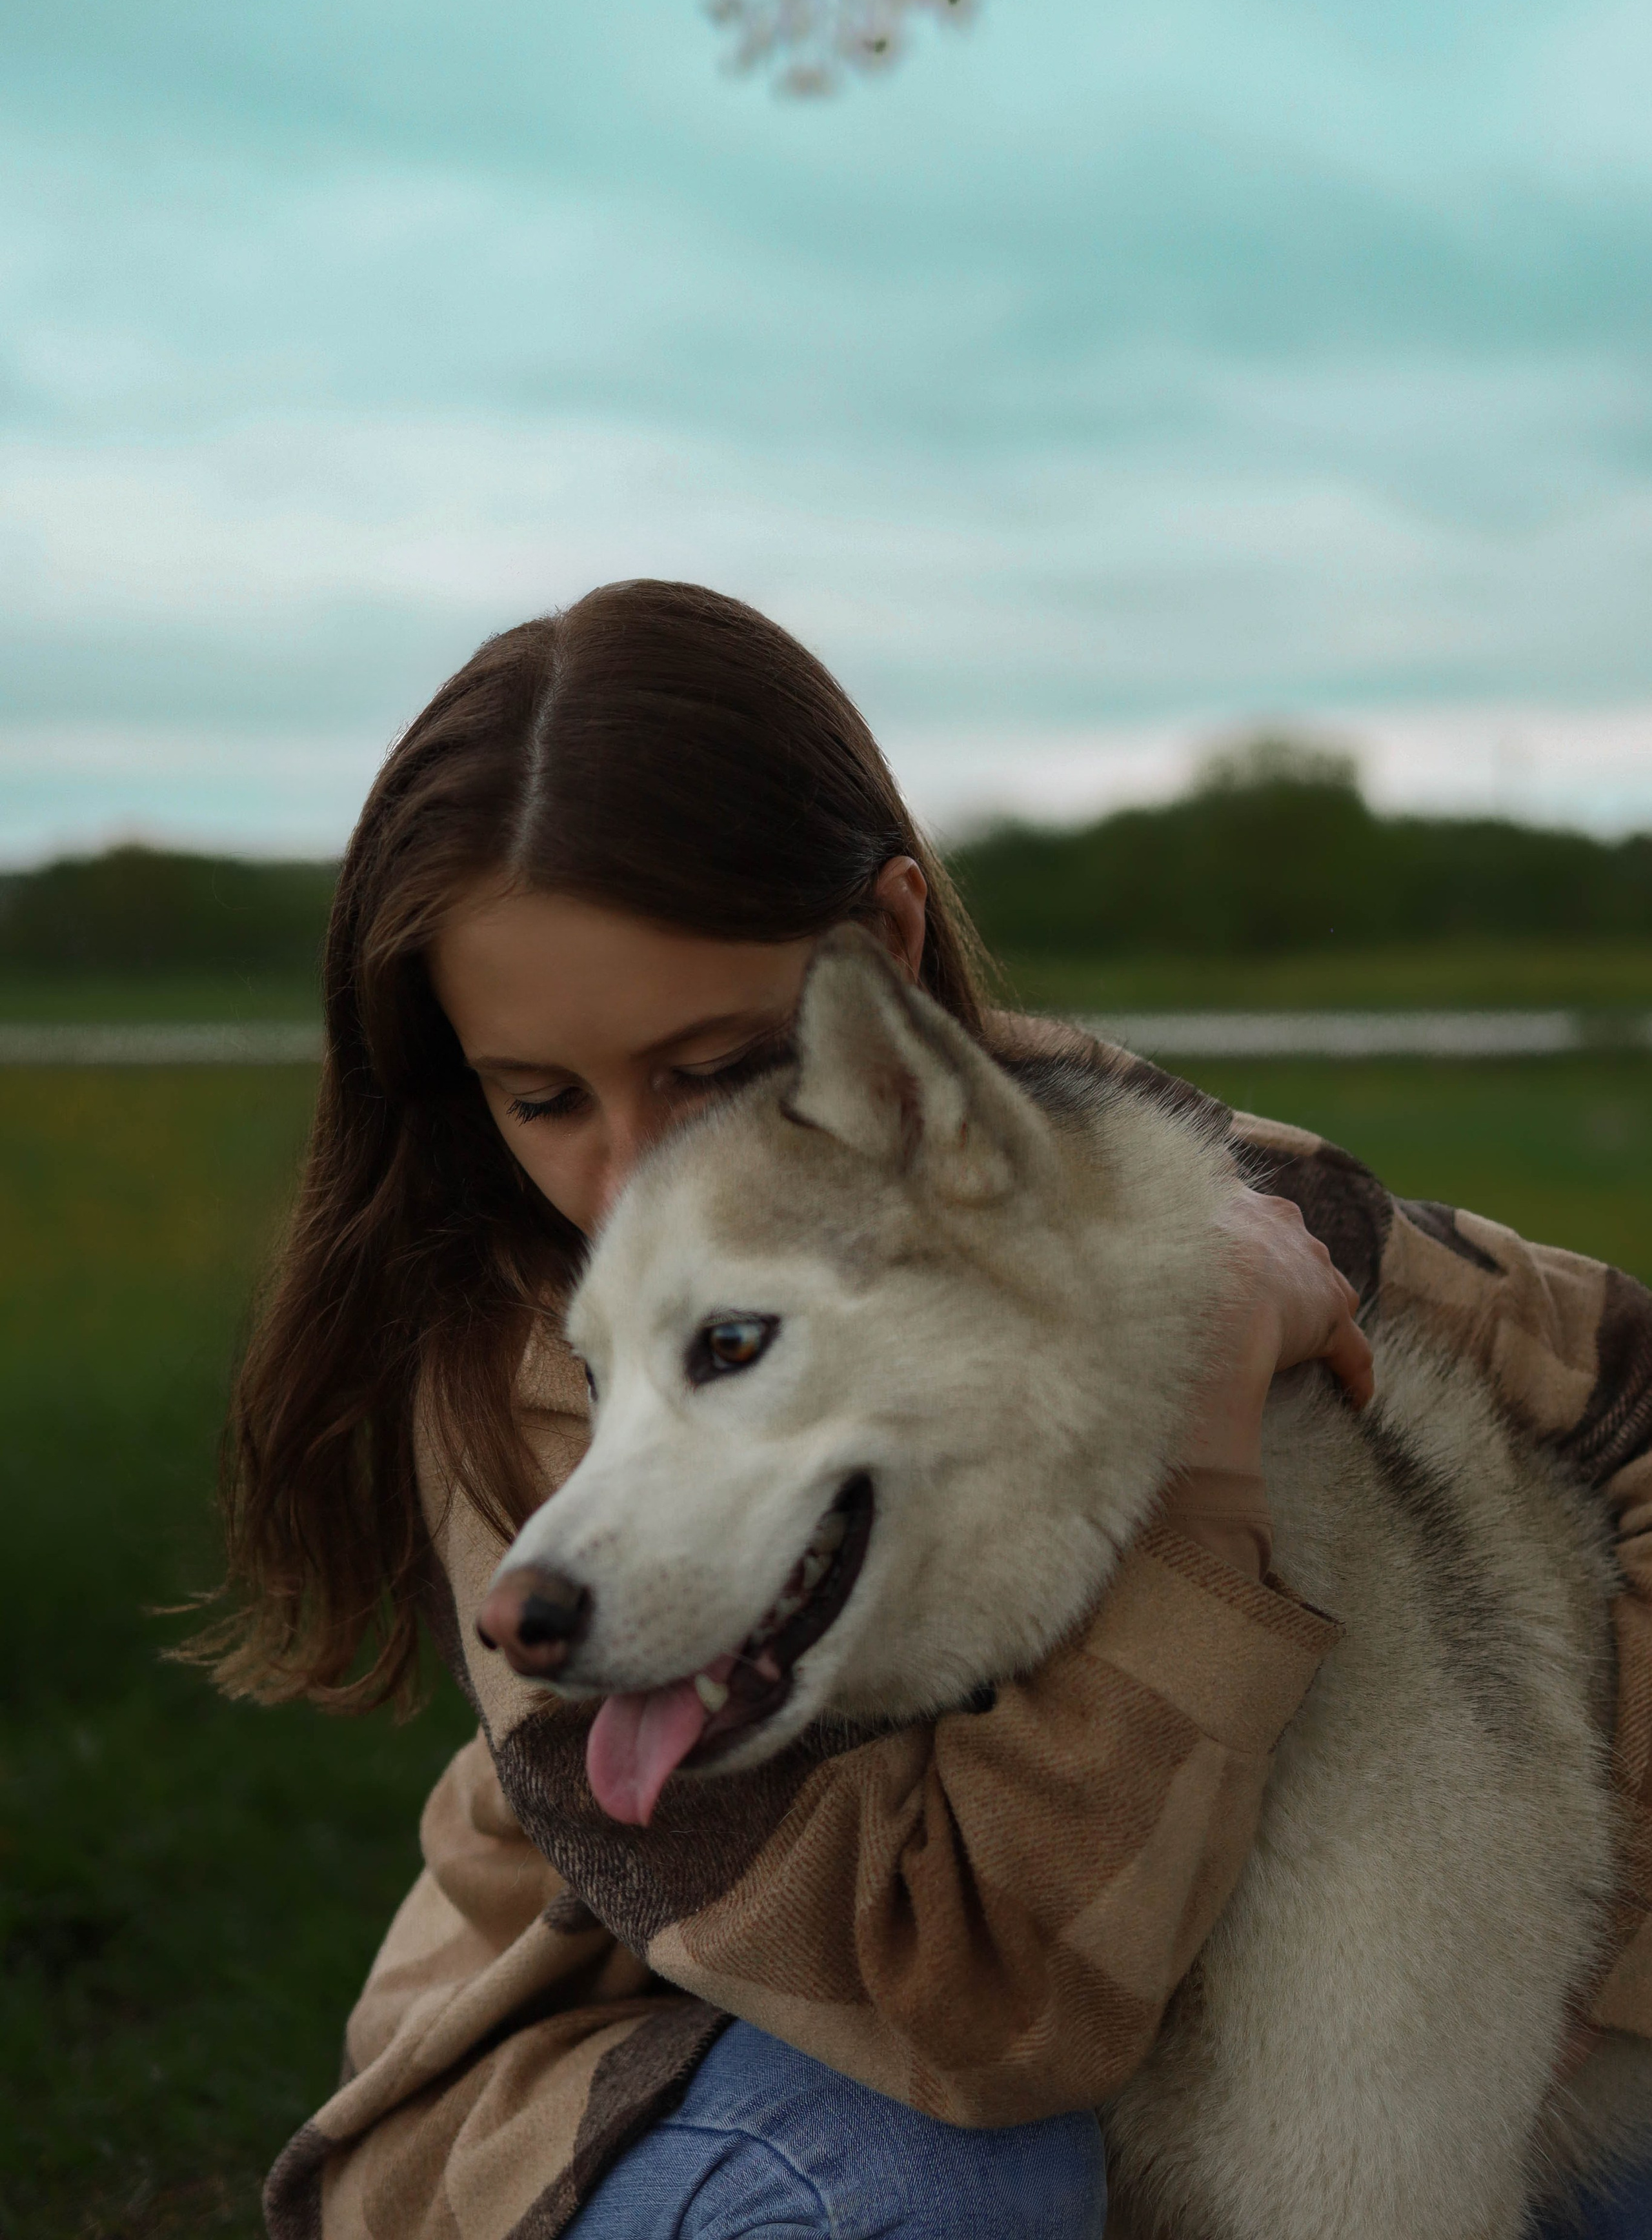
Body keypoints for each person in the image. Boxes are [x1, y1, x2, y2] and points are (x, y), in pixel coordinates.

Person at [206, 581, 1652, 2240]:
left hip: (1108, 2025)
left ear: (882, 958)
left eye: (715, 1067)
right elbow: (968, 2015)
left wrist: (1568, 1930)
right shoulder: (525, 1382)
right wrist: (1204, 1461)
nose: (637, 1182)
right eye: (542, 1099)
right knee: (933, 2179)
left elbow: (1615, 1369)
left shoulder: (1154, 1182)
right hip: (649, 2097)